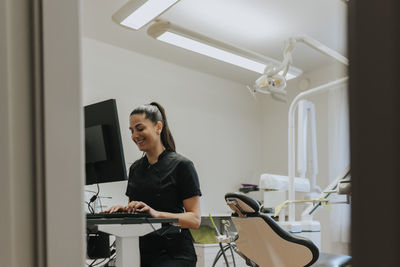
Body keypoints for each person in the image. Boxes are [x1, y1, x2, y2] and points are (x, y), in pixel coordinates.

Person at [104, 102, 202, 267]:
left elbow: (194, 219)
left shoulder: (182, 165)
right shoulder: (135, 168)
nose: (135, 135)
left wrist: (157, 214)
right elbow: (136, 213)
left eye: (140, 128)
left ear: (158, 127)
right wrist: (125, 211)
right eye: (132, 130)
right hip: (142, 253)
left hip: (174, 255)